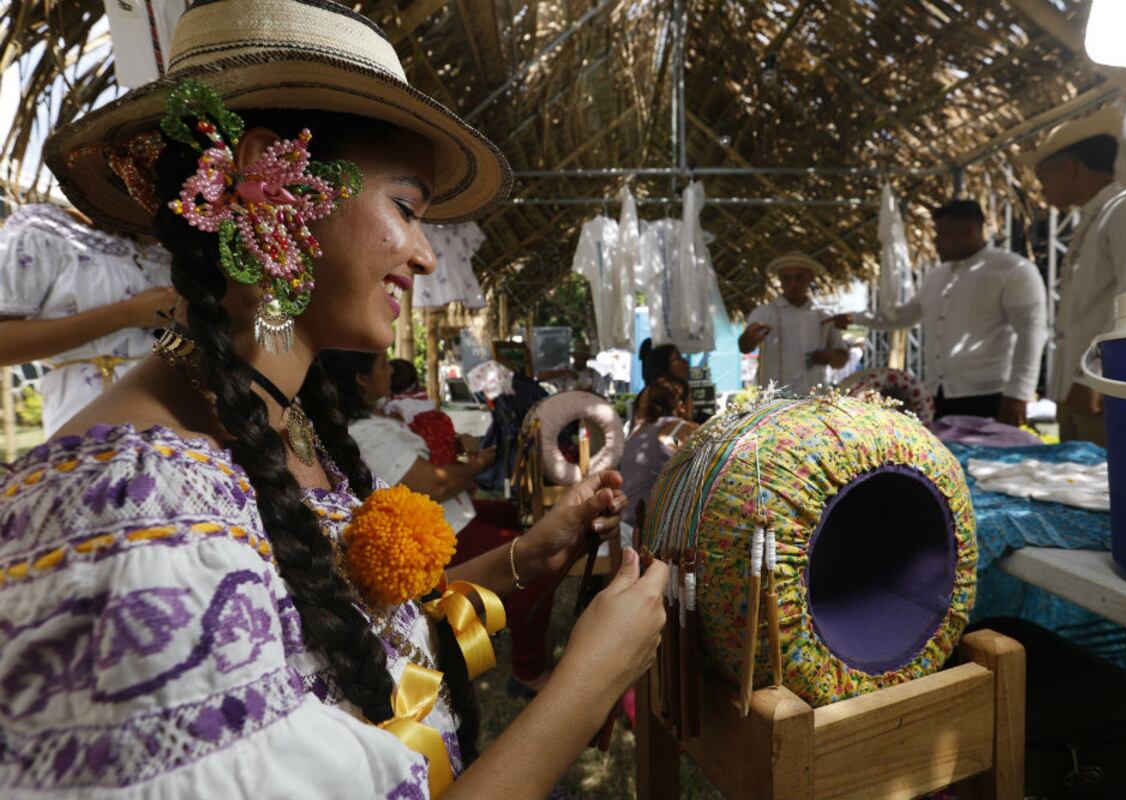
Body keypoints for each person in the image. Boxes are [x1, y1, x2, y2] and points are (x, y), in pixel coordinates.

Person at [0, 3, 667, 797]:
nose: (424, 255)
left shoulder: (285, 430)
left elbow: (341, 645)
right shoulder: (136, 512)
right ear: (271, 184)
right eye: (407, 209)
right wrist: (589, 681)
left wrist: (529, 556)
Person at [323, 349, 558, 698]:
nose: (391, 371)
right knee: (538, 562)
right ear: (361, 379)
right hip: (437, 528)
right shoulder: (366, 433)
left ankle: (506, 613)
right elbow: (437, 483)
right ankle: (528, 670)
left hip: (447, 513)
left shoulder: (379, 417)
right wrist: (479, 466)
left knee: (517, 518)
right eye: (384, 364)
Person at [1025, 107, 1126, 445]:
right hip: (1078, 389)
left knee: (1103, 490)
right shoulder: (1098, 215)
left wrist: (1094, 376)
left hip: (1104, 390)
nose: (1042, 191)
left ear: (1071, 168)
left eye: (1044, 178)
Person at [845, 200, 1048, 426]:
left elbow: (1032, 331)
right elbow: (904, 317)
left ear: (967, 231)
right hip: (937, 394)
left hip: (990, 395)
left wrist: (1019, 392)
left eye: (941, 234)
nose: (935, 242)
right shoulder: (936, 276)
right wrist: (854, 318)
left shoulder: (1012, 270)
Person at [0, 204, 176, 436]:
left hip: (169, 403)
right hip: (86, 406)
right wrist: (127, 313)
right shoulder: (43, 230)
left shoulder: (166, 247)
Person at [739, 251, 849, 396]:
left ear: (810, 277)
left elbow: (841, 359)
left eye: (800, 277)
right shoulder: (764, 313)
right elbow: (744, 347)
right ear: (780, 279)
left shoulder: (825, 315)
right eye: (787, 278)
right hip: (776, 403)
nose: (793, 283)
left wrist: (831, 356)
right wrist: (749, 337)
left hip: (816, 401)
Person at [619, 377, 697, 541]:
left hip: (624, 527)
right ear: (681, 406)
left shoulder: (637, 430)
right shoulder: (682, 429)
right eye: (692, 401)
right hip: (653, 534)